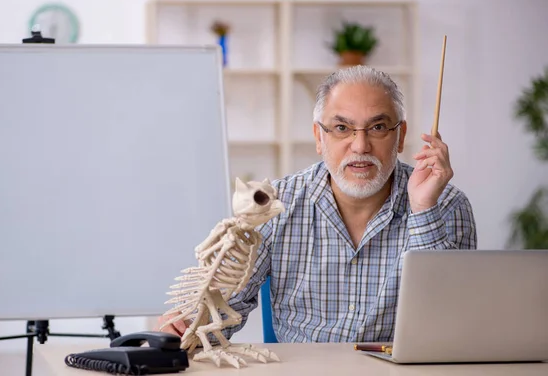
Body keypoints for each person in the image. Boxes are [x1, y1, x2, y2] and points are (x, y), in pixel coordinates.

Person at [157, 65, 477, 343]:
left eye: (378, 127)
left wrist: (423, 209)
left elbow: (450, 324)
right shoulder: (274, 205)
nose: (360, 145)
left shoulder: (446, 205)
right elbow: (221, 313)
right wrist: (187, 327)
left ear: (401, 134)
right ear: (318, 136)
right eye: (341, 128)